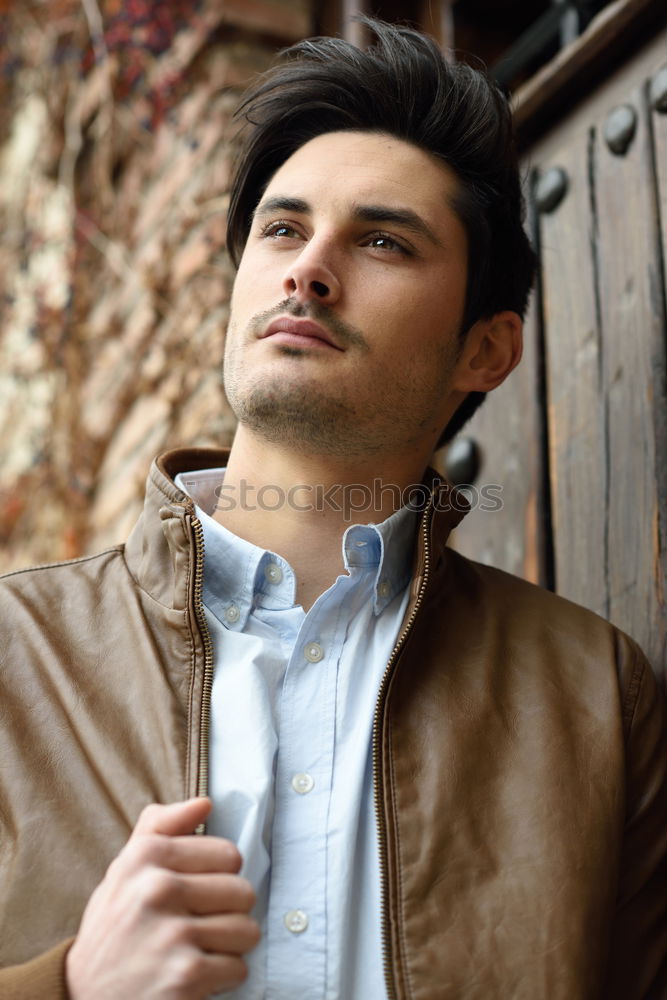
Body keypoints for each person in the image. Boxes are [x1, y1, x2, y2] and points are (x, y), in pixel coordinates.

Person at [1, 16, 666, 1000]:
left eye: (384, 241)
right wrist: (71, 985)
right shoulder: (17, 654)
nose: (307, 268)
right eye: (282, 228)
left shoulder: (593, 700)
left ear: (486, 349)